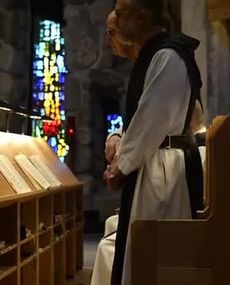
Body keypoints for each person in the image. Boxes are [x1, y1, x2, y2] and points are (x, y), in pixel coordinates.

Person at [102, 0, 204, 284]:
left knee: (158, 262)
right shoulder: (156, 55)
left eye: (121, 14)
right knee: (143, 258)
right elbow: (143, 118)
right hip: (155, 162)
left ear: (141, 16)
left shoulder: (168, 55)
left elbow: (152, 118)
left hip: (164, 170)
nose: (117, 21)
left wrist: (119, 167)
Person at [90, 10, 139, 285]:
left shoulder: (161, 60)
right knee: (111, 231)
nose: (108, 40)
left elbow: (148, 125)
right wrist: (115, 135)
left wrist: (119, 167)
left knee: (108, 248)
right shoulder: (141, 67)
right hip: (142, 166)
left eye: (112, 32)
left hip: (162, 174)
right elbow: (136, 119)